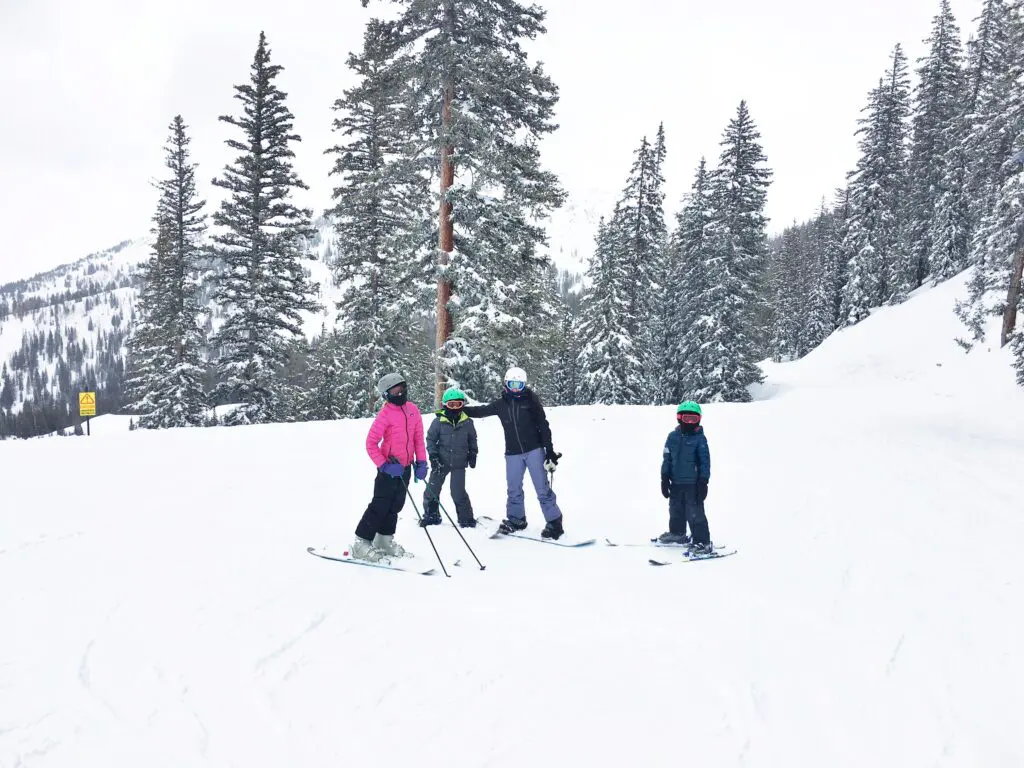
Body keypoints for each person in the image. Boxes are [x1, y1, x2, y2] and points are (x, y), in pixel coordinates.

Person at [462, 367, 565, 539]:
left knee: (542, 488)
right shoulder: (501, 404)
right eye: (512, 384)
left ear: (524, 385)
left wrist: (549, 451)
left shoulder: (531, 402)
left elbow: (544, 426)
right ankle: (517, 519)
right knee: (513, 488)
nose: (515, 389)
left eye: (519, 385)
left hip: (534, 450)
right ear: (506, 384)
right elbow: (481, 411)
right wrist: (460, 409)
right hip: (513, 453)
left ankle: (554, 521)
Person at [352, 372, 428, 562]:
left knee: (395, 505)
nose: (399, 393)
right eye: (395, 391)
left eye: (401, 389)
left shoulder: (413, 410)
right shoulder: (385, 415)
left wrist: (421, 462)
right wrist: (384, 465)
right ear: (387, 395)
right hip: (389, 470)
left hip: (406, 468)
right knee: (380, 505)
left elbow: (418, 438)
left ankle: (384, 540)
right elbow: (371, 444)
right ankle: (361, 543)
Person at [420, 387, 479, 528]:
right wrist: (433, 456)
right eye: (451, 404)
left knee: (458, 492)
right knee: (432, 490)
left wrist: (473, 453)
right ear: (445, 405)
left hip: (459, 462)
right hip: (441, 461)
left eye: (458, 404)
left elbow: (473, 439)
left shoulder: (467, 422)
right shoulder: (439, 422)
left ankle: (466, 518)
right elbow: (430, 440)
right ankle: (431, 515)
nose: (455, 408)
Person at [659, 401, 713, 554]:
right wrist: (664, 478)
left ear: (699, 420)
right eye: (687, 418)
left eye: (693, 419)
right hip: (675, 483)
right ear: (679, 418)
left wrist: (704, 481)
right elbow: (667, 458)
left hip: (693, 484)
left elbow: (705, 461)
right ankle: (678, 533)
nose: (690, 423)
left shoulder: (700, 439)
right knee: (675, 510)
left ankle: (702, 542)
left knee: (695, 513)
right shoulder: (672, 437)